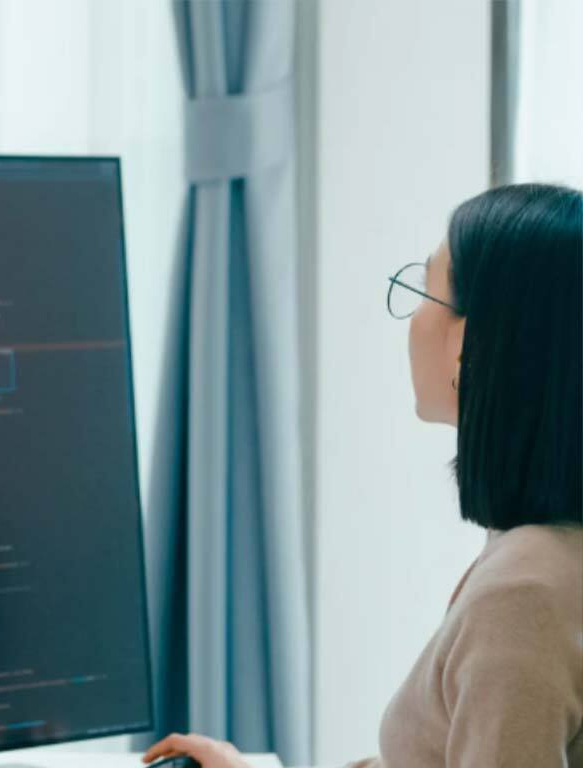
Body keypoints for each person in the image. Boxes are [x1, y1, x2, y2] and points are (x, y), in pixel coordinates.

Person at [144, 183, 583, 767]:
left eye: (424, 291)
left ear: (467, 341)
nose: (413, 320)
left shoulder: (522, 597)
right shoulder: (544, 555)